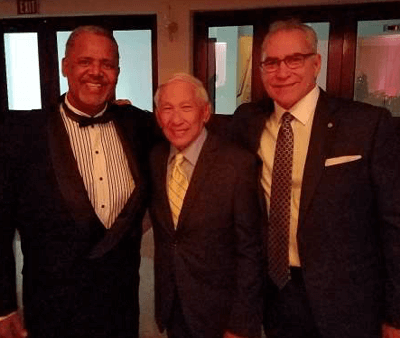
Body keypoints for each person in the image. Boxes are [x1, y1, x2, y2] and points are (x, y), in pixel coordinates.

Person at [231, 19, 400, 338]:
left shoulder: (367, 125)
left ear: (316, 63)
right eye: (271, 63)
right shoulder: (247, 122)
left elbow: (394, 224)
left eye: (294, 59)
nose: (282, 73)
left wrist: (396, 313)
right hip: (275, 292)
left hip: (348, 300)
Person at [0, 25, 154, 338]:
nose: (96, 72)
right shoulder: (20, 133)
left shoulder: (139, 124)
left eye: (107, 64)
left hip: (121, 307)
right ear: (65, 66)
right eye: (85, 61)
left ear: (117, 72)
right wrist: (4, 306)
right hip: (51, 311)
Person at [149, 73, 262, 338]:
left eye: (186, 108)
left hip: (222, 313)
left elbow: (250, 251)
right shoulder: (155, 159)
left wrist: (240, 323)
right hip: (173, 304)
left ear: (206, 112)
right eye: (167, 108)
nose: (176, 119)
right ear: (157, 115)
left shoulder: (238, 164)